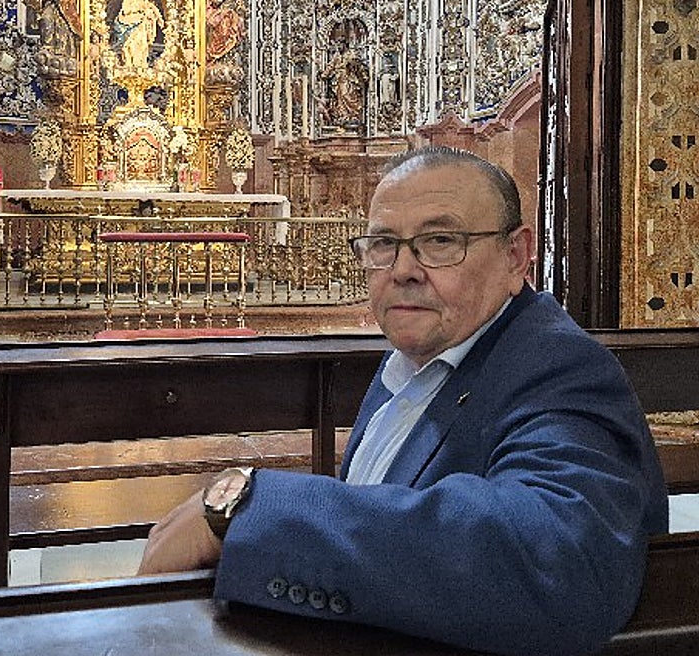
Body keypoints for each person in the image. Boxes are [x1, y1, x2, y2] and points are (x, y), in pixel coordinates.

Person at [138, 146, 669, 656]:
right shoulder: (420, 359)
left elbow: (555, 560)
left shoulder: (558, 368)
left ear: (515, 257)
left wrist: (247, 508)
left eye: (440, 241)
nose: (403, 269)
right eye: (383, 244)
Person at [113, 0, 164, 70]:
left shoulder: (142, 0)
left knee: (141, 44)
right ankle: (129, 64)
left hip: (141, 23)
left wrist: (159, 18)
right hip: (130, 21)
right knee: (129, 45)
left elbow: (152, 7)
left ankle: (141, 63)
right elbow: (125, 11)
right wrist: (134, 9)